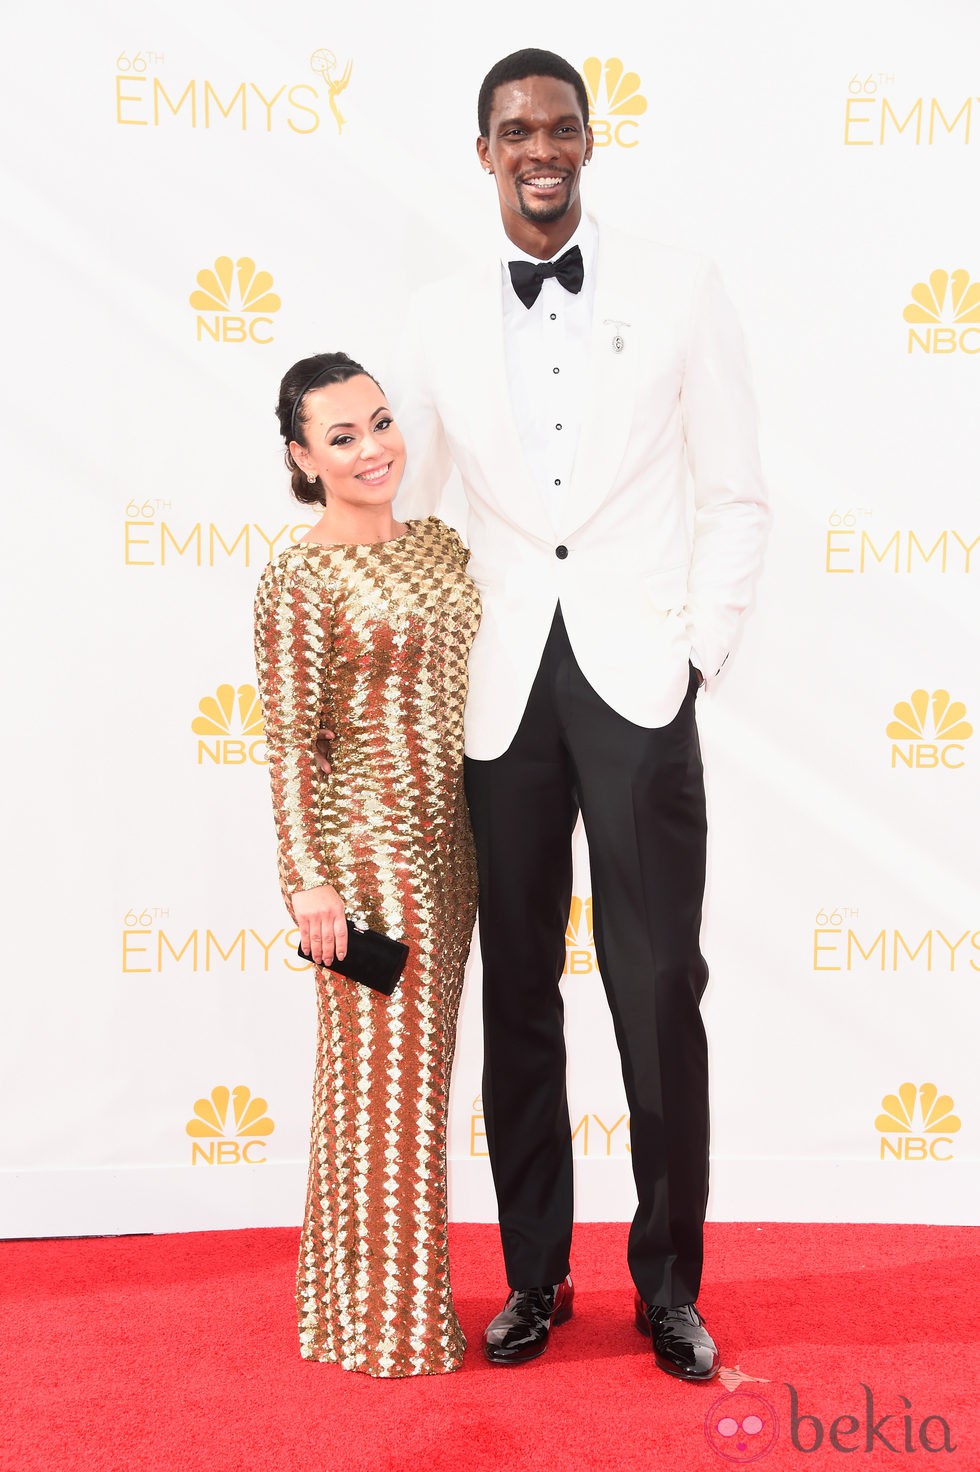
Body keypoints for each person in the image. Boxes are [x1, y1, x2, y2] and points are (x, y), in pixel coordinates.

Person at [390, 49, 769, 1379]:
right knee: (519, 1000)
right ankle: (536, 1278)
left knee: (660, 986)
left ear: (590, 142)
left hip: (636, 681)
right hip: (503, 695)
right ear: (483, 151)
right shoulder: (436, 313)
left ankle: (669, 1282)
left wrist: (697, 657)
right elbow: (414, 491)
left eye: (559, 128)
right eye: (514, 132)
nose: (539, 150)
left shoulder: (680, 287)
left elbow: (734, 492)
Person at [253, 352, 481, 1377]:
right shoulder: (298, 577)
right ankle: (385, 1328)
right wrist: (306, 879)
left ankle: (347, 1307)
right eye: (339, 436)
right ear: (302, 457)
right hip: (365, 868)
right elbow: (294, 740)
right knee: (378, 1087)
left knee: (408, 1086)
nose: (371, 447)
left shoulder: (439, 549)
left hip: (452, 856)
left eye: (379, 422)